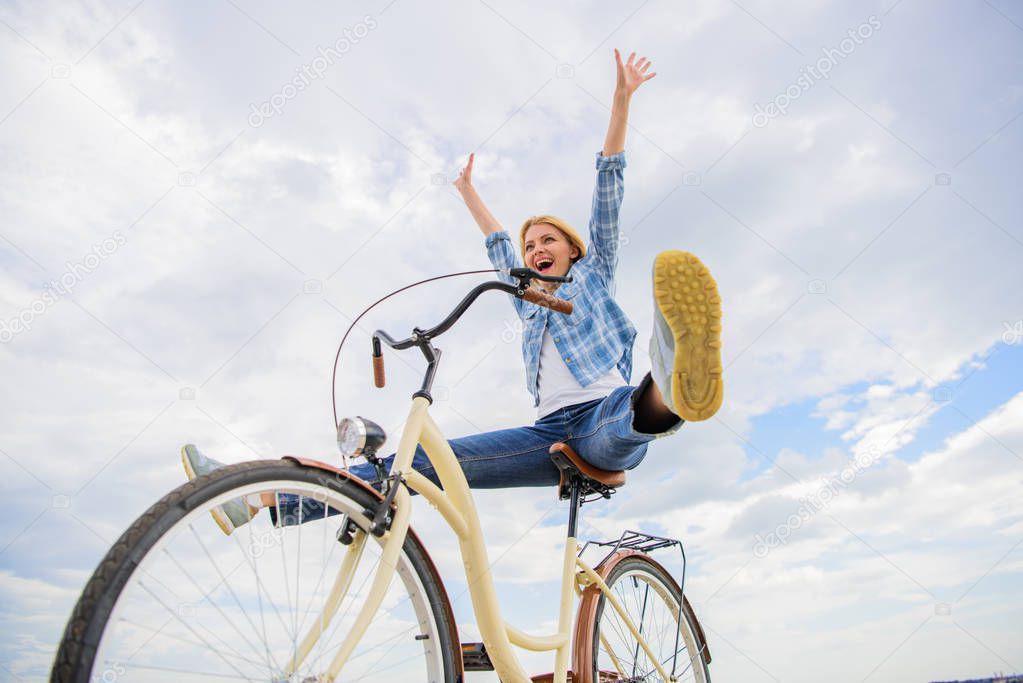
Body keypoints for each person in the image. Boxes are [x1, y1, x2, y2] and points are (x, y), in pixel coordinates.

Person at [180, 49, 724, 535]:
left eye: (548, 240)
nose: (536, 248)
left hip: (599, 411)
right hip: (546, 434)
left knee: (622, 420)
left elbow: (609, 185)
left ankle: (675, 374)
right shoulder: (526, 298)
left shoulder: (594, 273)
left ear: (574, 250)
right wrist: (467, 190)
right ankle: (256, 498)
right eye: (531, 243)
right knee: (411, 465)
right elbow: (497, 245)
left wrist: (621, 100)